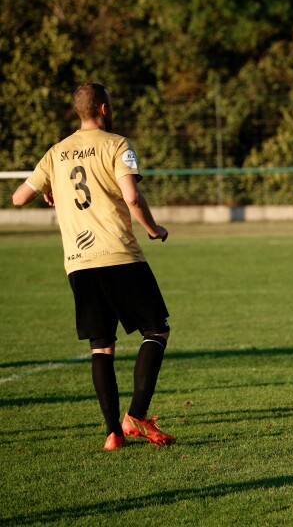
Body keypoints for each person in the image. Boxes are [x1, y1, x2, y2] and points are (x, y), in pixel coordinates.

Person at [11, 82, 176, 449]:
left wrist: (48, 190)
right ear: (103, 108)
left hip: (78, 264)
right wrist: (154, 229)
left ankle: (111, 433)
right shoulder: (117, 144)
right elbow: (131, 196)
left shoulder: (56, 152)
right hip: (118, 255)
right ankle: (136, 417)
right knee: (156, 330)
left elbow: (18, 197)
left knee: (102, 347)